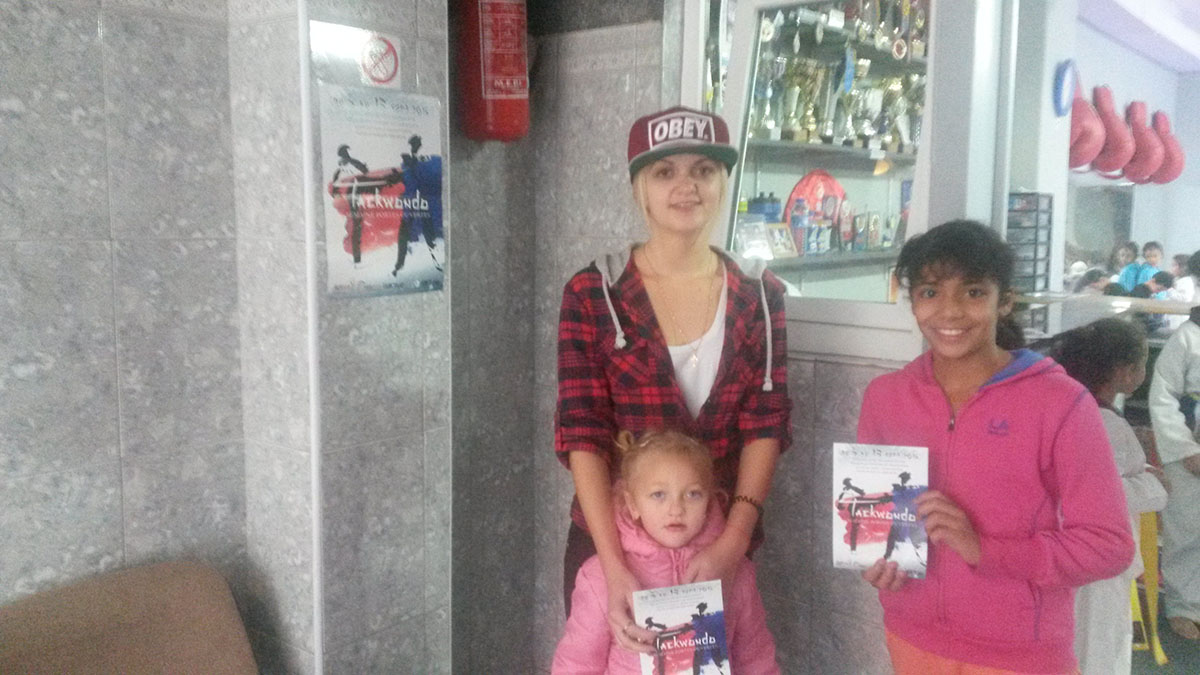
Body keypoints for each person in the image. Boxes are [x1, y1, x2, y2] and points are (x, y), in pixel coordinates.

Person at [555, 105, 790, 654]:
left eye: (704, 170)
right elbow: (582, 433)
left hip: (716, 544)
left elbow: (766, 422)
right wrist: (612, 565)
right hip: (615, 549)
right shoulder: (595, 293)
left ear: (723, 181)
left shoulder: (760, 295)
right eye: (665, 172)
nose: (687, 186)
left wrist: (733, 542)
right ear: (640, 187)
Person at [857, 220, 1135, 674]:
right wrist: (877, 559)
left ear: (1004, 300)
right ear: (912, 301)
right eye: (930, 292)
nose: (949, 312)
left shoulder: (1060, 403)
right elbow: (877, 521)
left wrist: (985, 551)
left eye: (972, 292)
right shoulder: (885, 397)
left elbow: (1108, 546)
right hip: (911, 638)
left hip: (1019, 655)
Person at [551, 430, 779, 674]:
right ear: (632, 504)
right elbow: (577, 665)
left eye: (692, 494)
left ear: (710, 501)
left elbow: (756, 660)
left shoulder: (735, 572)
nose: (676, 509)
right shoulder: (600, 577)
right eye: (658, 494)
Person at [1049, 318, 1168, 674]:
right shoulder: (1103, 423)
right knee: (1096, 650)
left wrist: (1143, 474)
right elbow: (1100, 491)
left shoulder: (1066, 407)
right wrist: (1155, 486)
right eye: (1142, 363)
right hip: (1096, 561)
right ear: (1123, 371)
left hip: (1065, 553)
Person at [1150, 305, 1200, 640]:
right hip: (1190, 450)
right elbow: (1163, 397)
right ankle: (1183, 606)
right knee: (1187, 529)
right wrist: (1185, 449)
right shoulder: (1186, 337)